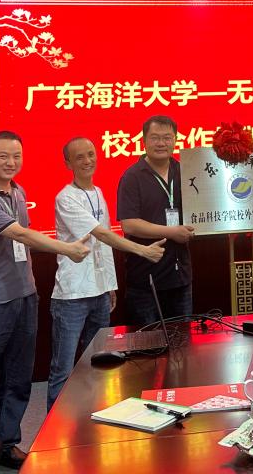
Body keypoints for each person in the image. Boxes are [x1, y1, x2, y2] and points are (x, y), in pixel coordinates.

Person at [0, 131, 92, 470]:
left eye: (16, 156)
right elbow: (19, 234)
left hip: (24, 296)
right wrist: (66, 248)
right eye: (3, 156)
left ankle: (6, 442)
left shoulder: (18, 192)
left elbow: (23, 240)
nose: (10, 162)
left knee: (18, 377)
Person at [46, 136, 167, 411]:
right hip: (73, 295)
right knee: (63, 369)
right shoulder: (65, 197)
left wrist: (110, 285)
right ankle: (54, 428)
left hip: (100, 293)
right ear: (68, 163)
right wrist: (142, 250)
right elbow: (100, 234)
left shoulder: (99, 192)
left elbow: (104, 244)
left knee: (98, 362)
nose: (87, 161)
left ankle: (90, 418)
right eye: (79, 157)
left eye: (91, 154)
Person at [118, 115, 195, 328]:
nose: (161, 143)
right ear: (144, 140)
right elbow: (129, 224)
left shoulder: (185, 172)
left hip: (180, 277)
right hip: (146, 280)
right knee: (148, 344)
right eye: (155, 138)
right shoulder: (132, 176)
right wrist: (172, 232)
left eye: (167, 138)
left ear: (175, 140)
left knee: (183, 342)